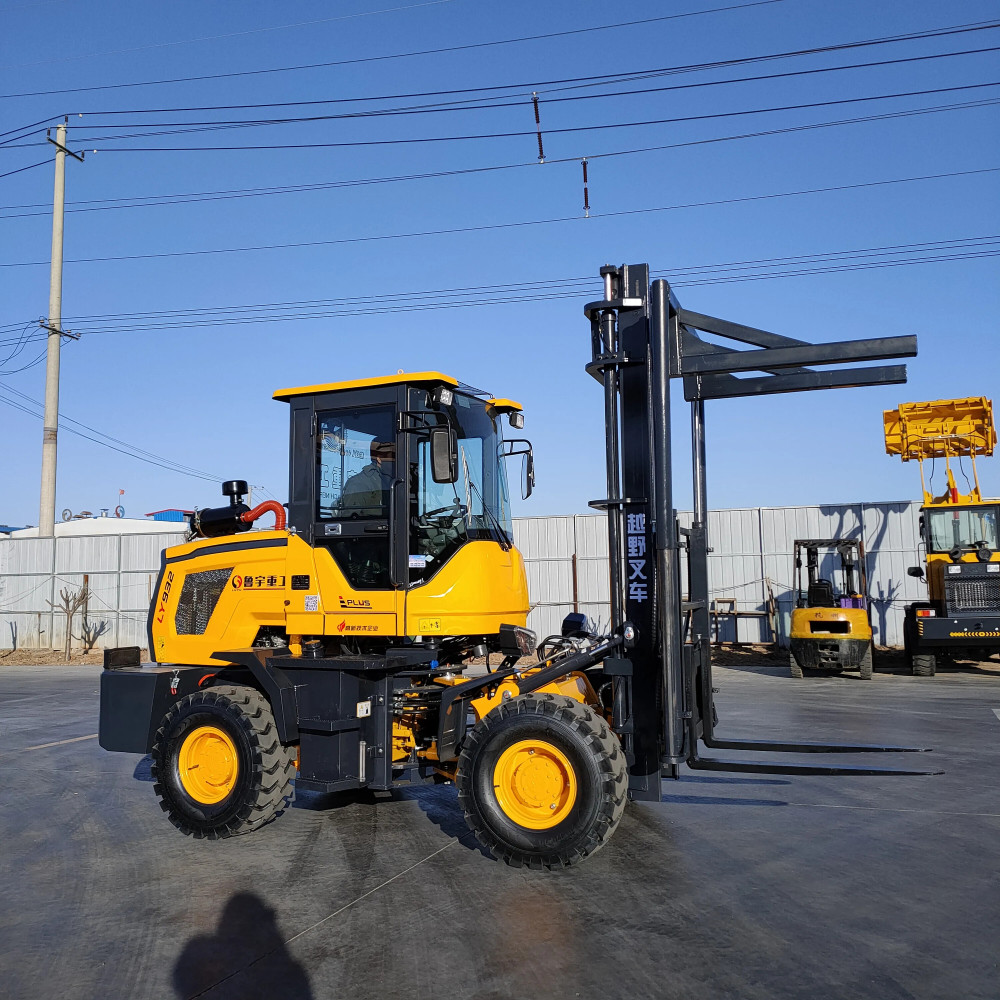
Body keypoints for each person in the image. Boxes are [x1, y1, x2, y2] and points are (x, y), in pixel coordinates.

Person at [340, 439, 394, 514]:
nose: (395, 460)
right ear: (379, 459)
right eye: (393, 456)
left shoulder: (395, 483)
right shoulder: (359, 484)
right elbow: (350, 520)